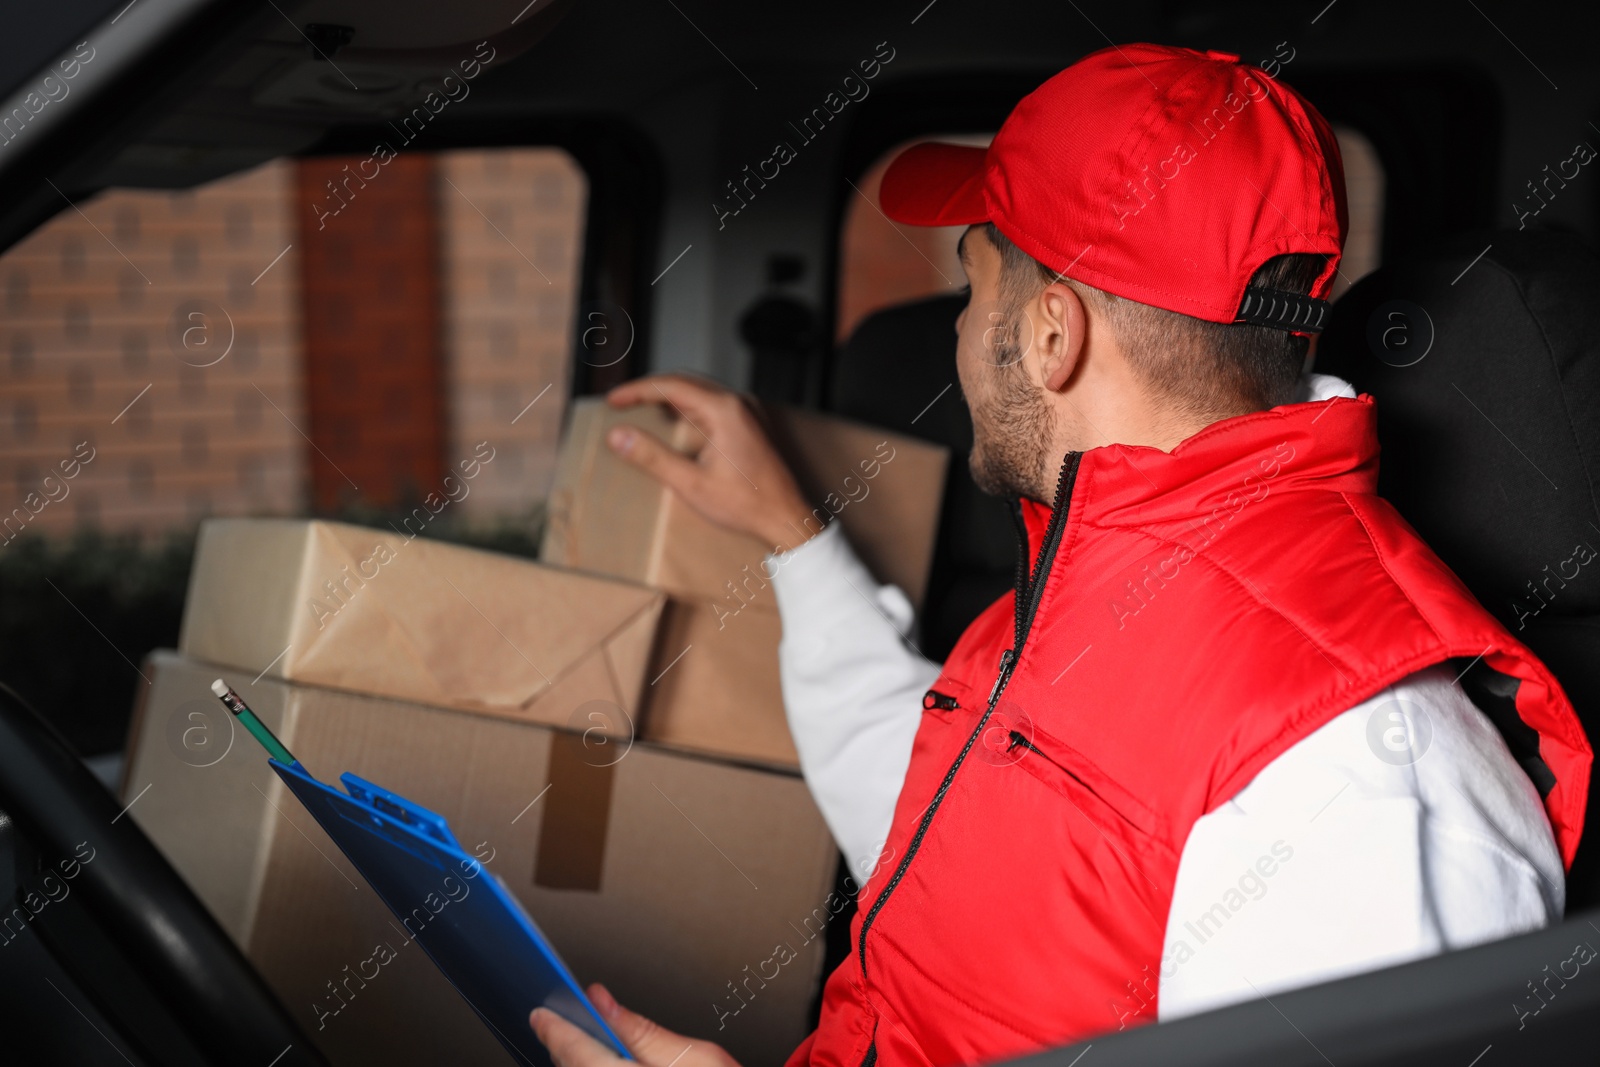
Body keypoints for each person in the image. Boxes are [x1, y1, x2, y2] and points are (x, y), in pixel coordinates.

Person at [530, 43, 1591, 1067]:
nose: (955, 336)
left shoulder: (1363, 784)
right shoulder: (1088, 588)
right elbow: (957, 841)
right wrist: (791, 533)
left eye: (969, 290)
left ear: (1051, 335)